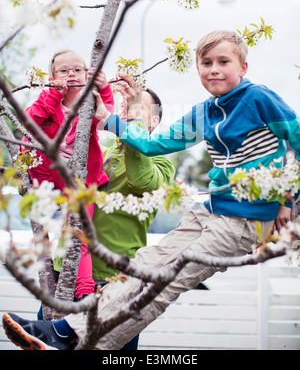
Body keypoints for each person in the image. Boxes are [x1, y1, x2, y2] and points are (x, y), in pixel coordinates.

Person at [3, 30, 300, 351]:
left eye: (223, 62)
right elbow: (154, 144)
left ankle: (71, 338)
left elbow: (296, 141)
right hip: (210, 210)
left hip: (246, 216)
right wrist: (108, 117)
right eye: (206, 62)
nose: (214, 69)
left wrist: (288, 202)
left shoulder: (258, 99)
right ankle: (65, 334)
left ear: (243, 67)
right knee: (143, 269)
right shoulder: (203, 113)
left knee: (167, 282)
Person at [52, 84, 176, 350]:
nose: (126, 112)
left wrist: (130, 126)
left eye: (135, 107)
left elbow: (142, 182)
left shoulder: (163, 162)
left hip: (113, 284)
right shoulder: (103, 150)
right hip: (69, 275)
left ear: (153, 120)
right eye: (123, 107)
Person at [21, 50, 114, 301]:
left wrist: (104, 90)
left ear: (88, 74)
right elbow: (28, 125)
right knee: (23, 145)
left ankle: (84, 292)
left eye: (77, 69)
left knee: (78, 236)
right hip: (49, 179)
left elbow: (108, 120)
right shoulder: (47, 101)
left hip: (82, 181)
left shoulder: (92, 103)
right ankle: (59, 291)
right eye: (63, 71)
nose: (71, 74)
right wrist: (53, 95)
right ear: (52, 77)